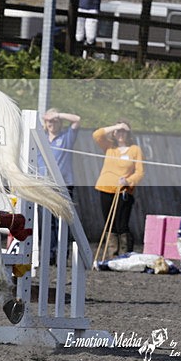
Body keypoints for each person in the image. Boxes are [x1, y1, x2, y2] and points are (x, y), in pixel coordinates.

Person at [93, 120, 144, 257]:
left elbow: (140, 172)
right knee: (109, 223)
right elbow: (97, 135)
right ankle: (112, 253)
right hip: (105, 187)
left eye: (124, 131)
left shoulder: (135, 150)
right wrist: (116, 126)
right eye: (118, 131)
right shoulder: (109, 147)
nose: (121, 134)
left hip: (123, 190)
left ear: (128, 134)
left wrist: (128, 181)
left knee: (122, 223)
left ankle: (125, 252)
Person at [36, 109, 81, 264]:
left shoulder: (66, 137)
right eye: (49, 121)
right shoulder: (40, 139)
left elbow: (76, 119)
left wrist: (59, 115)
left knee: (62, 221)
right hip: (45, 186)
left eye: (54, 121)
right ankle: (49, 254)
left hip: (63, 185)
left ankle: (61, 254)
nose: (51, 124)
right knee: (47, 222)